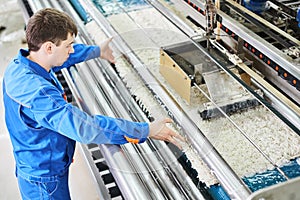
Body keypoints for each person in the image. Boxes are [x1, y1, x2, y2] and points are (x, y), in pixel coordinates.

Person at [3, 8, 184, 200]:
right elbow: (84, 127)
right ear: (48, 47)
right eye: (69, 45)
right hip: (43, 182)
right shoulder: (39, 93)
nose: (71, 50)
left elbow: (63, 57)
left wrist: (97, 51)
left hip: (38, 165)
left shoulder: (23, 65)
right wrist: (145, 130)